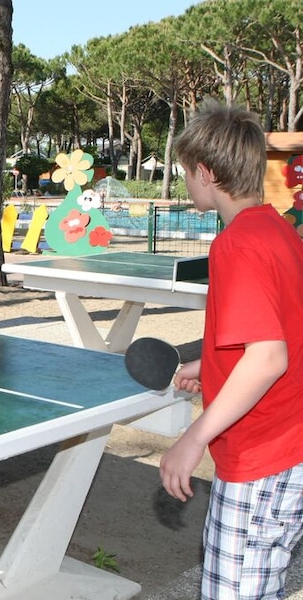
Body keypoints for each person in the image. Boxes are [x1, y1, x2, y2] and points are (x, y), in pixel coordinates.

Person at [160, 101, 303, 600]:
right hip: (289, 447)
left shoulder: (236, 245)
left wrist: (194, 437)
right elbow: (286, 331)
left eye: (185, 173)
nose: (185, 183)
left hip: (261, 456)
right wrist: (213, 364)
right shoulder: (278, 229)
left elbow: (267, 358)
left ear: (205, 172)